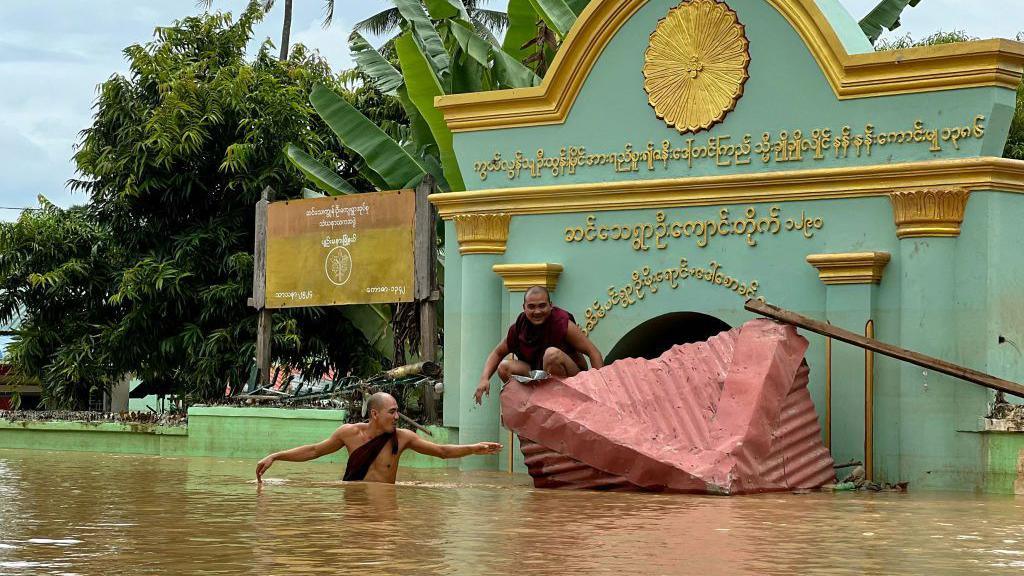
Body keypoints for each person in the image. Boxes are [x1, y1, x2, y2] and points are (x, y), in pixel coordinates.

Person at [255, 392, 501, 483]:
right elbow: (314, 451)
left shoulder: (403, 437)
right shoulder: (349, 434)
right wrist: (275, 456)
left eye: (397, 411)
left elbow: (441, 452)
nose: (397, 417)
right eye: (392, 412)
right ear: (374, 414)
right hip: (353, 503)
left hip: (385, 507)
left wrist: (474, 448)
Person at [474, 285, 604, 404]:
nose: (537, 311)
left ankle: (556, 402)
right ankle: (526, 405)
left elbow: (594, 353)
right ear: (524, 308)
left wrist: (600, 390)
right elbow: (497, 353)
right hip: (540, 375)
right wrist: (484, 379)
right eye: (531, 306)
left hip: (572, 378)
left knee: (551, 354)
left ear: (550, 305)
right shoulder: (519, 327)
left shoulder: (561, 323)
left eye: (542, 306)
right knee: (504, 367)